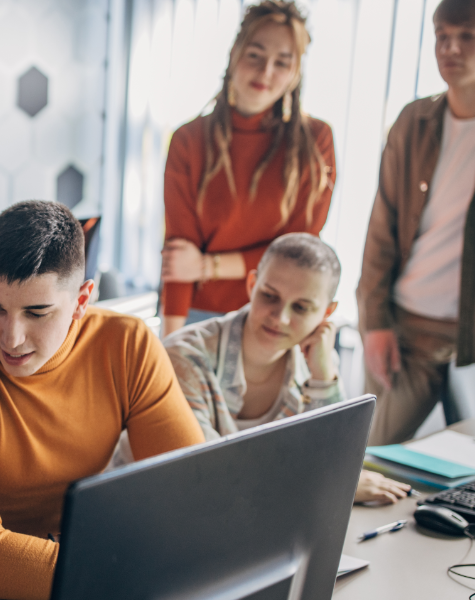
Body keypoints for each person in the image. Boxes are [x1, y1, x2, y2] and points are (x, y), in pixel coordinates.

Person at [0, 201, 204, 600]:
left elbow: (190, 491)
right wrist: (122, 574)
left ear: (82, 300)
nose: (10, 338)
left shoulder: (127, 344)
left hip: (81, 566)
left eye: (37, 312)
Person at [163, 233, 412, 504]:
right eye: (269, 296)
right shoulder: (183, 357)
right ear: (252, 284)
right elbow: (205, 474)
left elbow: (337, 461)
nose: (280, 317)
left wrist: (323, 378)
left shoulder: (318, 360)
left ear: (327, 313)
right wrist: (327, 485)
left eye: (302, 308)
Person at [160, 0, 336, 337]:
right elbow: (179, 257)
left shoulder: (316, 142)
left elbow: (299, 249)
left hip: (278, 315)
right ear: (234, 54)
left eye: (282, 62)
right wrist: (170, 343)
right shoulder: (189, 139)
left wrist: (206, 265)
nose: (266, 71)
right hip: (201, 318)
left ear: (295, 72)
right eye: (255, 55)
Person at [358, 0, 475, 445]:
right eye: (442, 36)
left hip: (464, 331)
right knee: (369, 455)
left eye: (467, 37)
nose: (451, 49)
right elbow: (380, 226)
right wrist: (375, 321)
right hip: (404, 323)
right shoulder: (415, 121)